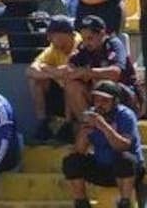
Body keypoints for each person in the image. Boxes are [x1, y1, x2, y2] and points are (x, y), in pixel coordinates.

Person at [62, 80, 144, 208]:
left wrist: (104, 127)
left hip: (128, 172)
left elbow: (123, 146)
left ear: (115, 102)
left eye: (105, 101)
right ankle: (81, 202)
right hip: (103, 167)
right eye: (97, 99)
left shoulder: (125, 115)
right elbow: (79, 150)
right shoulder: (91, 114)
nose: (99, 104)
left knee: (125, 159)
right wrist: (84, 132)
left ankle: (125, 202)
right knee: (71, 161)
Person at [60, 15, 141, 140]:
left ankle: (103, 129)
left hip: (125, 96)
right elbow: (69, 69)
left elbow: (115, 73)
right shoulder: (84, 48)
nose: (86, 42)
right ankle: (90, 129)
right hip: (99, 98)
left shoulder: (113, 44)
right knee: (72, 85)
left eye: (90, 38)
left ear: (102, 34)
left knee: (101, 82)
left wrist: (86, 72)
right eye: (84, 38)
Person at [26, 15, 80, 141]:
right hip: (60, 94)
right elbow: (30, 70)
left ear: (63, 35)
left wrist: (47, 68)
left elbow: (68, 72)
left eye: (51, 35)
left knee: (69, 82)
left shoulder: (79, 44)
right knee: (35, 80)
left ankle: (68, 125)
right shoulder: (54, 48)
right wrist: (52, 74)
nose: (48, 38)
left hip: (80, 96)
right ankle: (44, 123)